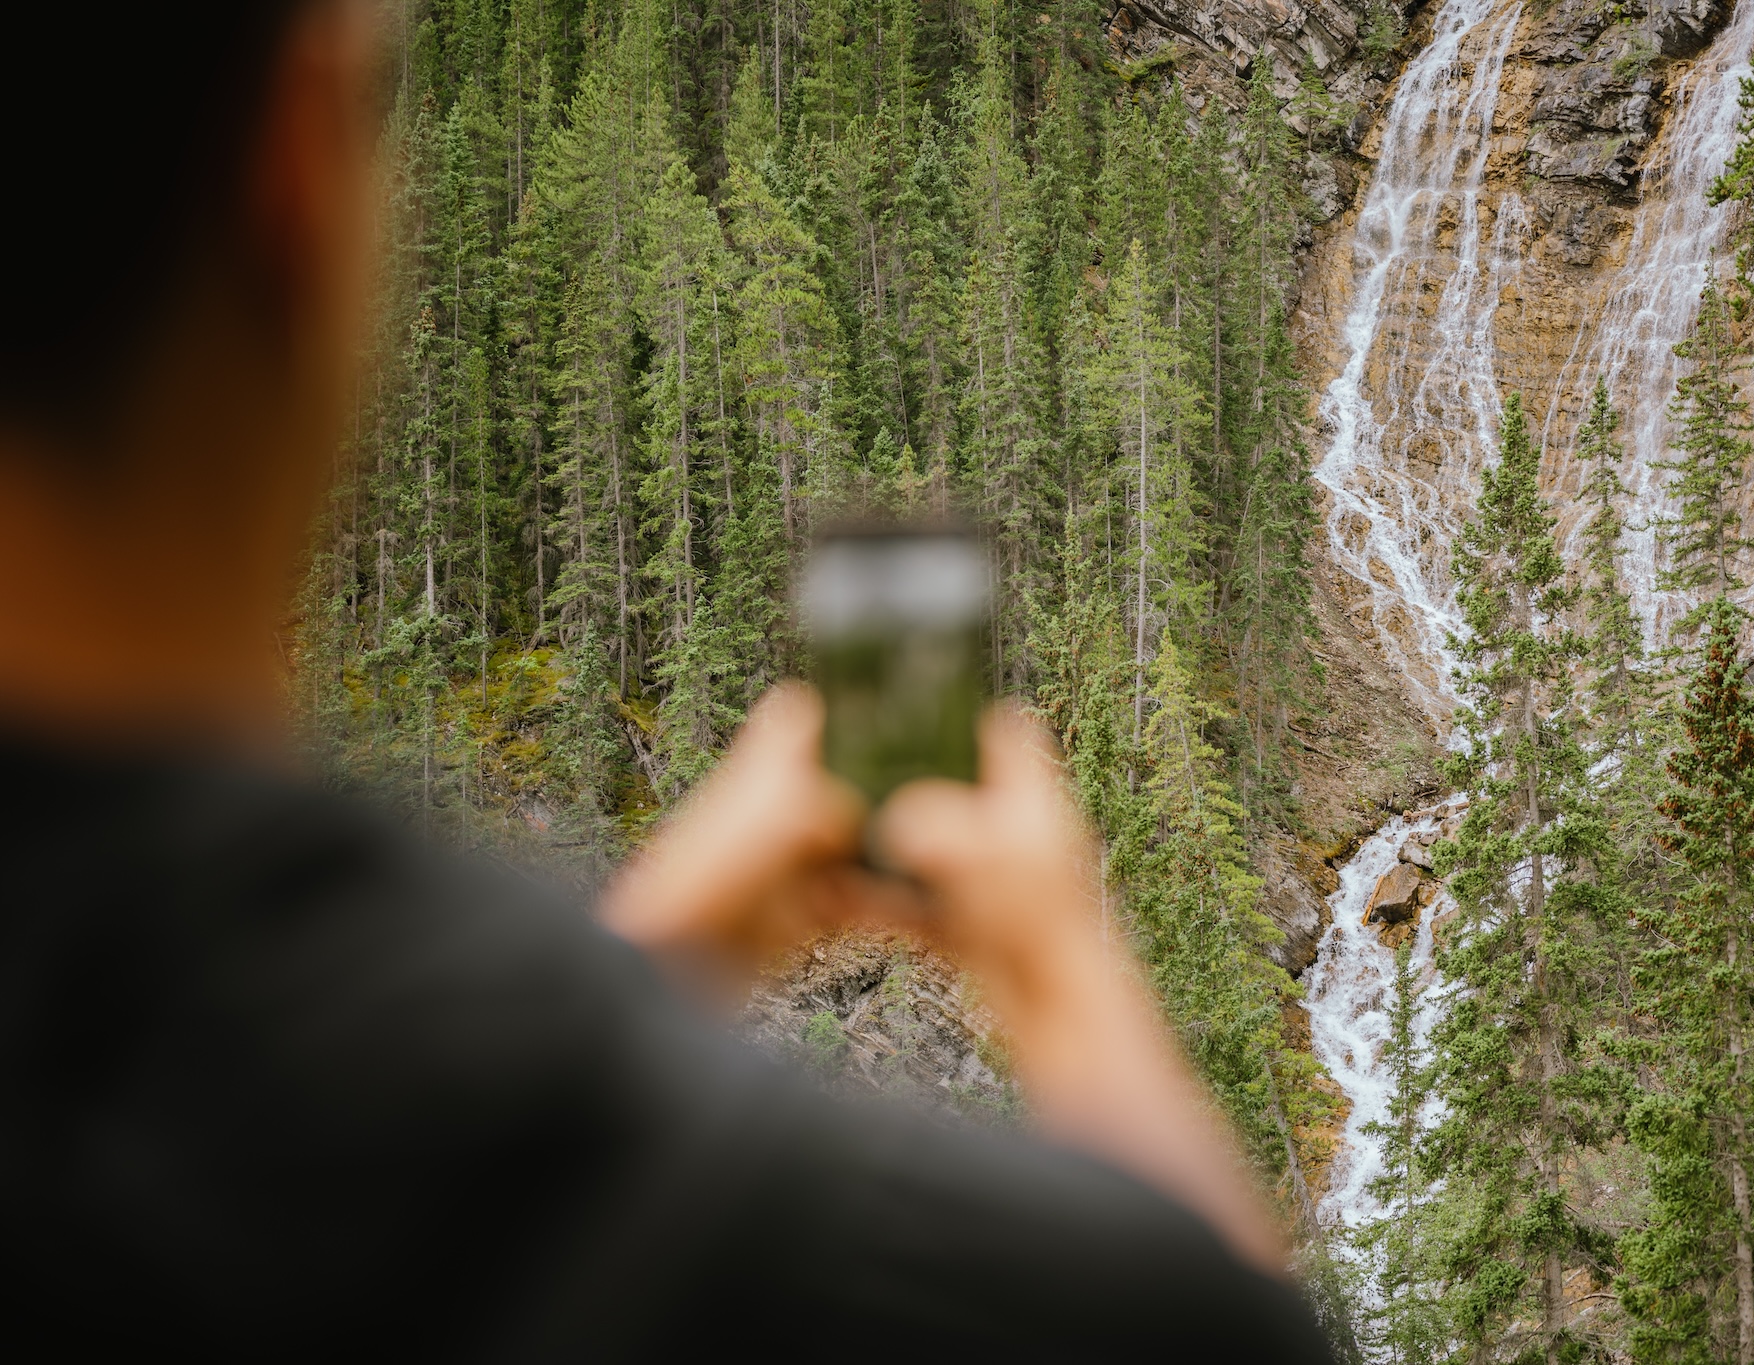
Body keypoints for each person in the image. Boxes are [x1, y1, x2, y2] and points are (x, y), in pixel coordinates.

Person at [0, 2, 1331, 1358]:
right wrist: (1056, 964)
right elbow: (1214, 1331)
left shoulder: (246, 1091)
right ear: (288, 169)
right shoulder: (720, 1221)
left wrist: (641, 958)